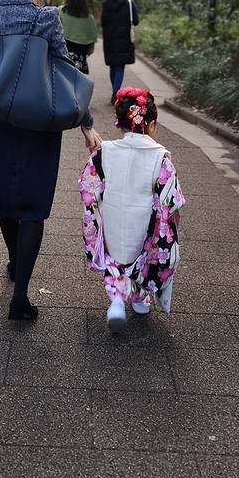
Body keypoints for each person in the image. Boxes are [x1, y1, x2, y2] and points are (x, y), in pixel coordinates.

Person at [0, 0, 102, 321]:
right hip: (40, 121)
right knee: (34, 206)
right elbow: (65, 69)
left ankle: (13, 260)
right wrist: (86, 122)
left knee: (7, 197)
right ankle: (20, 296)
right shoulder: (46, 18)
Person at [79, 86, 184, 332]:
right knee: (144, 260)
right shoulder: (160, 157)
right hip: (143, 223)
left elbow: (87, 187)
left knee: (115, 258)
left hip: (113, 219)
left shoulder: (104, 152)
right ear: (152, 124)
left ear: (119, 123)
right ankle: (139, 299)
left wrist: (95, 217)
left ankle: (117, 300)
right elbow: (170, 201)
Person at [101, 0, 139, 103]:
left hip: (109, 40)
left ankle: (115, 92)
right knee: (119, 66)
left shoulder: (106, 4)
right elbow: (136, 21)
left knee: (113, 66)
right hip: (124, 40)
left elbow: (103, 23)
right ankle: (116, 94)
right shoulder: (129, 3)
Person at [59, 0, 98, 74]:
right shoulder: (89, 17)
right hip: (81, 53)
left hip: (64, 51)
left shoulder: (61, 11)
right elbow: (92, 37)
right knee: (79, 79)